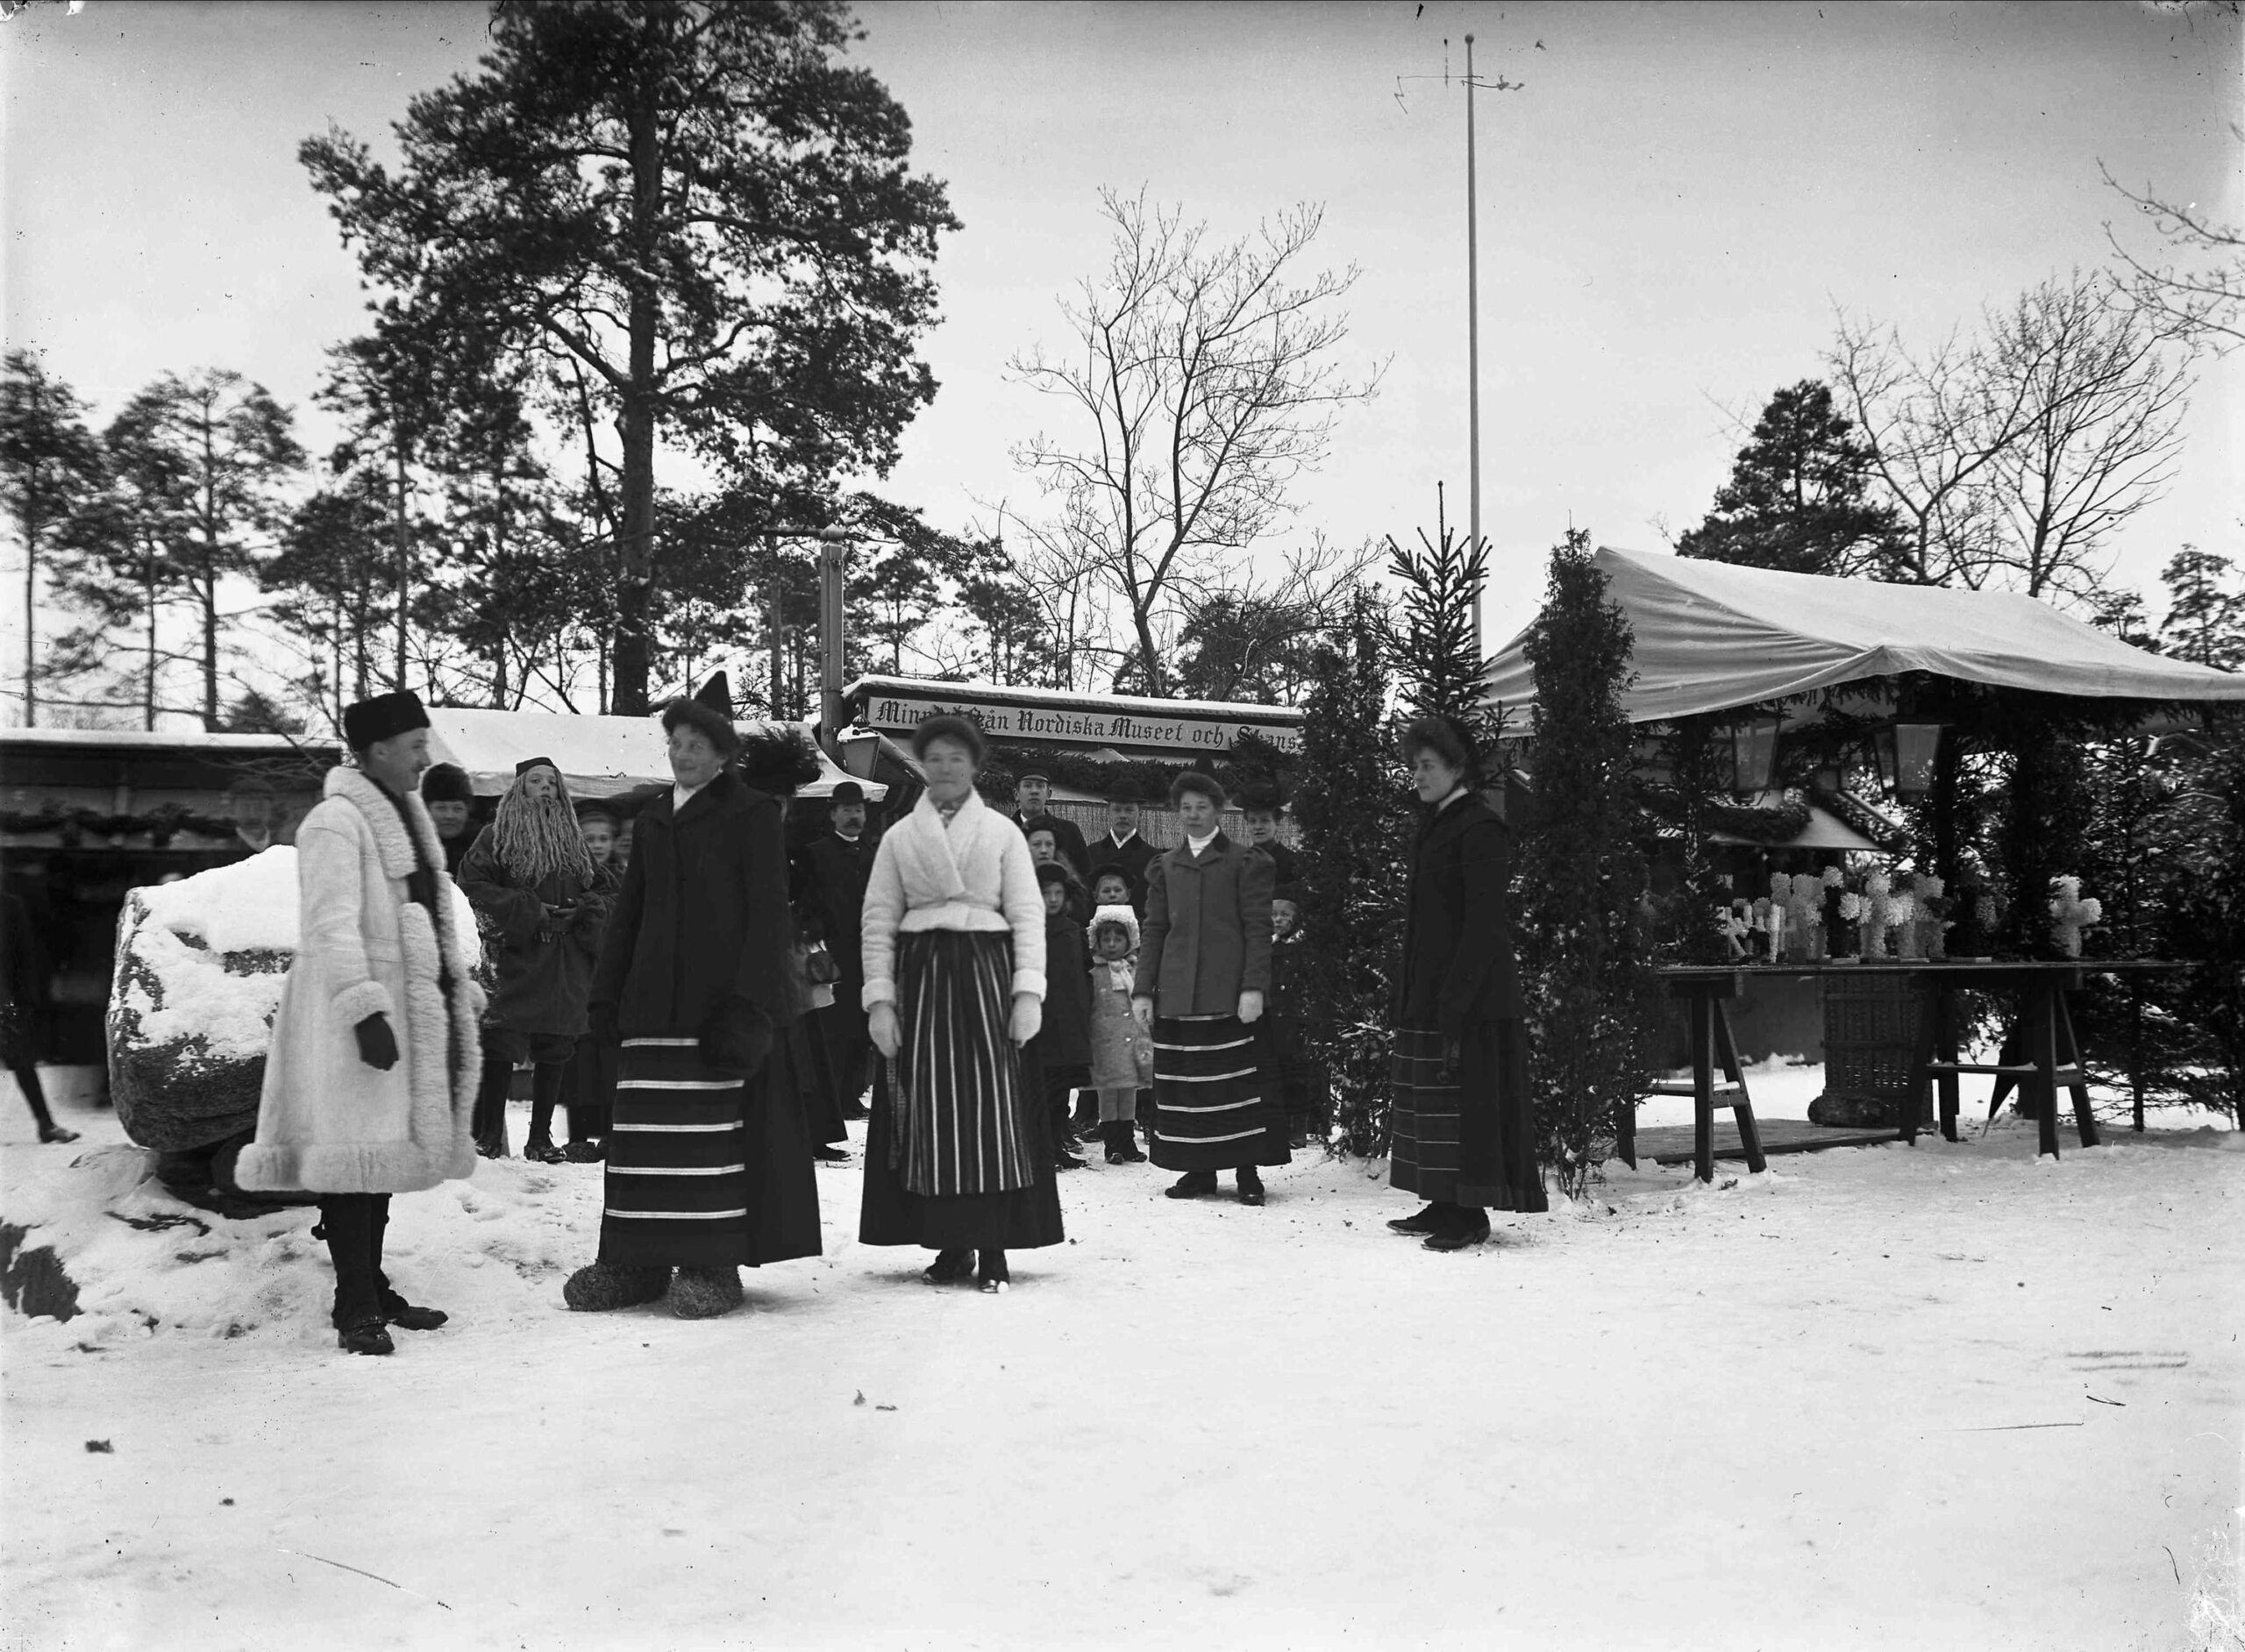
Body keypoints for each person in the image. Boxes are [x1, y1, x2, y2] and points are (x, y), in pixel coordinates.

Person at [563, 673, 821, 1320]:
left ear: (723, 751)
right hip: (648, 1007)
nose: (682, 754)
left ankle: (711, 1265)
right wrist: (604, 1001)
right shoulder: (650, 816)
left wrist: (750, 1007)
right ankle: (632, 1262)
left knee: (708, 1146)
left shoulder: (752, 814)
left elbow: (769, 918)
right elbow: (628, 915)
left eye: (696, 743)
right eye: (675, 741)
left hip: (715, 1010)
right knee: (640, 1142)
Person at [235, 691, 484, 1355]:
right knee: (351, 1161)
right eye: (414, 748)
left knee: (378, 1159)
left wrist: (450, 988)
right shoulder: (335, 823)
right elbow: (328, 926)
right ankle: (355, 1308)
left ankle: (370, 1285)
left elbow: (422, 917)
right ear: (376, 751)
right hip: (353, 1011)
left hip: (401, 1007)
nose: (425, 759)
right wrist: (364, 1010)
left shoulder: (402, 818)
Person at [859, 714, 1061, 1293]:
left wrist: (1028, 992)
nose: (946, 768)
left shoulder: (1001, 834)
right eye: (936, 758)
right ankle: (951, 1244)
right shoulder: (900, 837)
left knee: (989, 1114)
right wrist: (881, 1001)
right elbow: (878, 920)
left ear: (975, 767)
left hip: (986, 979)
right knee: (930, 1113)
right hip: (921, 980)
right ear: (924, 766)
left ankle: (994, 1247)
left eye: (958, 758)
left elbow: (1027, 913)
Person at [1386, 716, 1546, 1251]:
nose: (1418, 775)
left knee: (1464, 1105)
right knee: (1434, 1102)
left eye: (1428, 765)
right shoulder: (1436, 823)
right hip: (1431, 988)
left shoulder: (1479, 826)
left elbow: (1483, 924)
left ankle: (1469, 1214)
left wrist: (1456, 998)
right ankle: (1443, 1199)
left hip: (1473, 995)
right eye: (1414, 766)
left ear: (1457, 767)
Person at [1134, 770, 1287, 1205]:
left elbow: (1258, 929)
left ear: (1218, 811)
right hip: (1178, 997)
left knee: (1236, 1088)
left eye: (1203, 807)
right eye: (1187, 807)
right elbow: (1155, 929)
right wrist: (1144, 990)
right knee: (1190, 1090)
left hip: (1231, 996)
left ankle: (1246, 1172)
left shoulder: (1245, 862)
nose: (1194, 815)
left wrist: (1253, 987)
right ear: (1177, 812)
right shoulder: (1164, 867)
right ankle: (1198, 1171)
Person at [460, 758, 618, 1164]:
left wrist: (586, 910)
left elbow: (610, 895)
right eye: (536, 781)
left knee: (557, 1045)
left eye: (552, 782)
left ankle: (540, 1138)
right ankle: (490, 1134)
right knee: (501, 1042)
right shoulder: (495, 838)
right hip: (516, 959)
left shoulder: (575, 844)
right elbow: (474, 889)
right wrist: (529, 911)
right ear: (518, 789)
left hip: (565, 964)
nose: (545, 787)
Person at [795, 780, 874, 1118]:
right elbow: (805, 903)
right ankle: (833, 1098)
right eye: (846, 810)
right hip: (831, 955)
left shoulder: (875, 854)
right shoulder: (815, 854)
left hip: (869, 955)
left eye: (858, 809)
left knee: (862, 1027)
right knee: (833, 1030)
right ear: (832, 814)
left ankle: (852, 1093)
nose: (853, 816)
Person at [559, 799, 625, 1162]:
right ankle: (579, 1136)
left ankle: (614, 1134)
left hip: (614, 978)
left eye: (604, 838)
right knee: (581, 1061)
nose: (598, 845)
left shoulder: (622, 875)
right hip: (578, 975)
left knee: (613, 1060)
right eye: (591, 837)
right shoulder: (570, 875)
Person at [1025, 861, 1091, 1172]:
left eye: (1057, 893)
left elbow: (1084, 973)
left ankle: (1057, 1145)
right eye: (1045, 893)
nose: (1052, 899)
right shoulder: (1028, 930)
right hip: (1042, 1021)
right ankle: (1040, 1149)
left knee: (1063, 1090)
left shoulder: (1073, 930)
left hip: (1071, 1020)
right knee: (1042, 1089)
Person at [1, 891, 75, 1144]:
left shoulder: (9, 905)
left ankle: (46, 1125)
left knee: (22, 1061)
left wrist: (27, 998)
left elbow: (25, 954)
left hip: (5, 1000)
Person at [1085, 905, 1151, 1164]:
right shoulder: (1093, 973)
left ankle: (1128, 1143)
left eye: (1118, 938)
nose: (1112, 944)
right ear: (1097, 942)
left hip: (1132, 1040)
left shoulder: (1134, 971)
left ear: (1129, 940)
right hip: (1104, 1043)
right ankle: (1111, 1143)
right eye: (1106, 939)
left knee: (1129, 1092)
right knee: (1108, 1093)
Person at [1010, 769, 1092, 884]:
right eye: (1028, 786)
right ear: (1016, 794)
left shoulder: (1068, 830)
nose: (1034, 791)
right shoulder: (1004, 831)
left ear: (1049, 794)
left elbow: (1084, 876)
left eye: (1040, 786)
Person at [1090, 779, 1158, 915]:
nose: (1122, 816)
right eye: (1117, 810)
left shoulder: (1153, 857)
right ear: (1108, 812)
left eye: (1129, 810)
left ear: (1140, 813)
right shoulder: (1091, 853)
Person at [420, 763, 478, 876]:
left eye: (457, 808)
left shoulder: (484, 850)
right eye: (441, 808)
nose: (449, 816)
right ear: (427, 809)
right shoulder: (416, 849)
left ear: (468, 811)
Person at [1239, 787, 1300, 887]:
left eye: (1265, 820)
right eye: (1252, 821)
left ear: (1277, 824)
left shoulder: (1292, 862)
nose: (1258, 827)